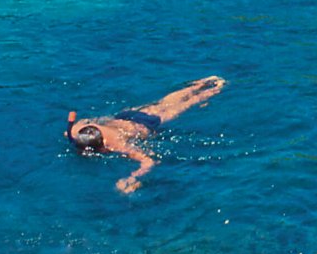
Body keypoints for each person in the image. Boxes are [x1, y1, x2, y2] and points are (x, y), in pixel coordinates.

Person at [67, 76, 226, 195]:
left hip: (145, 124)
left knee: (182, 107)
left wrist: (132, 178)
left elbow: (148, 161)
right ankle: (201, 83)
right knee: (164, 102)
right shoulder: (81, 129)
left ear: (101, 146)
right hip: (126, 115)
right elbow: (73, 126)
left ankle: (215, 89)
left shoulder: (116, 145)